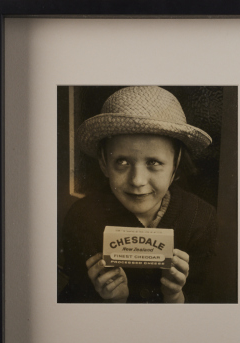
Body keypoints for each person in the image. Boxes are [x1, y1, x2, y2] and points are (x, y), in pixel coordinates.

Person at [60, 86, 217, 303]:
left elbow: (208, 306)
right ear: (104, 163)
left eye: (154, 163)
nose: (137, 181)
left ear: (175, 164)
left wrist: (175, 297)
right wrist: (113, 302)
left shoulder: (202, 219)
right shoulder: (82, 218)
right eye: (122, 162)